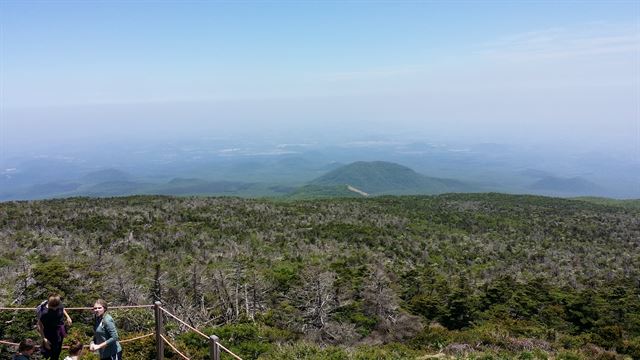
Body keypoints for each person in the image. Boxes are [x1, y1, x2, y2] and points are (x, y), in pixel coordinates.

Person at [37, 293, 72, 360]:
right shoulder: (42, 311)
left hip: (59, 331)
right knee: (46, 354)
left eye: (57, 307)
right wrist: (44, 339)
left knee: (57, 353)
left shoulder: (57, 302)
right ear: (49, 304)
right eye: (53, 308)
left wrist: (68, 317)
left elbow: (62, 308)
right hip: (48, 333)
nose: (55, 309)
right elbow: (39, 325)